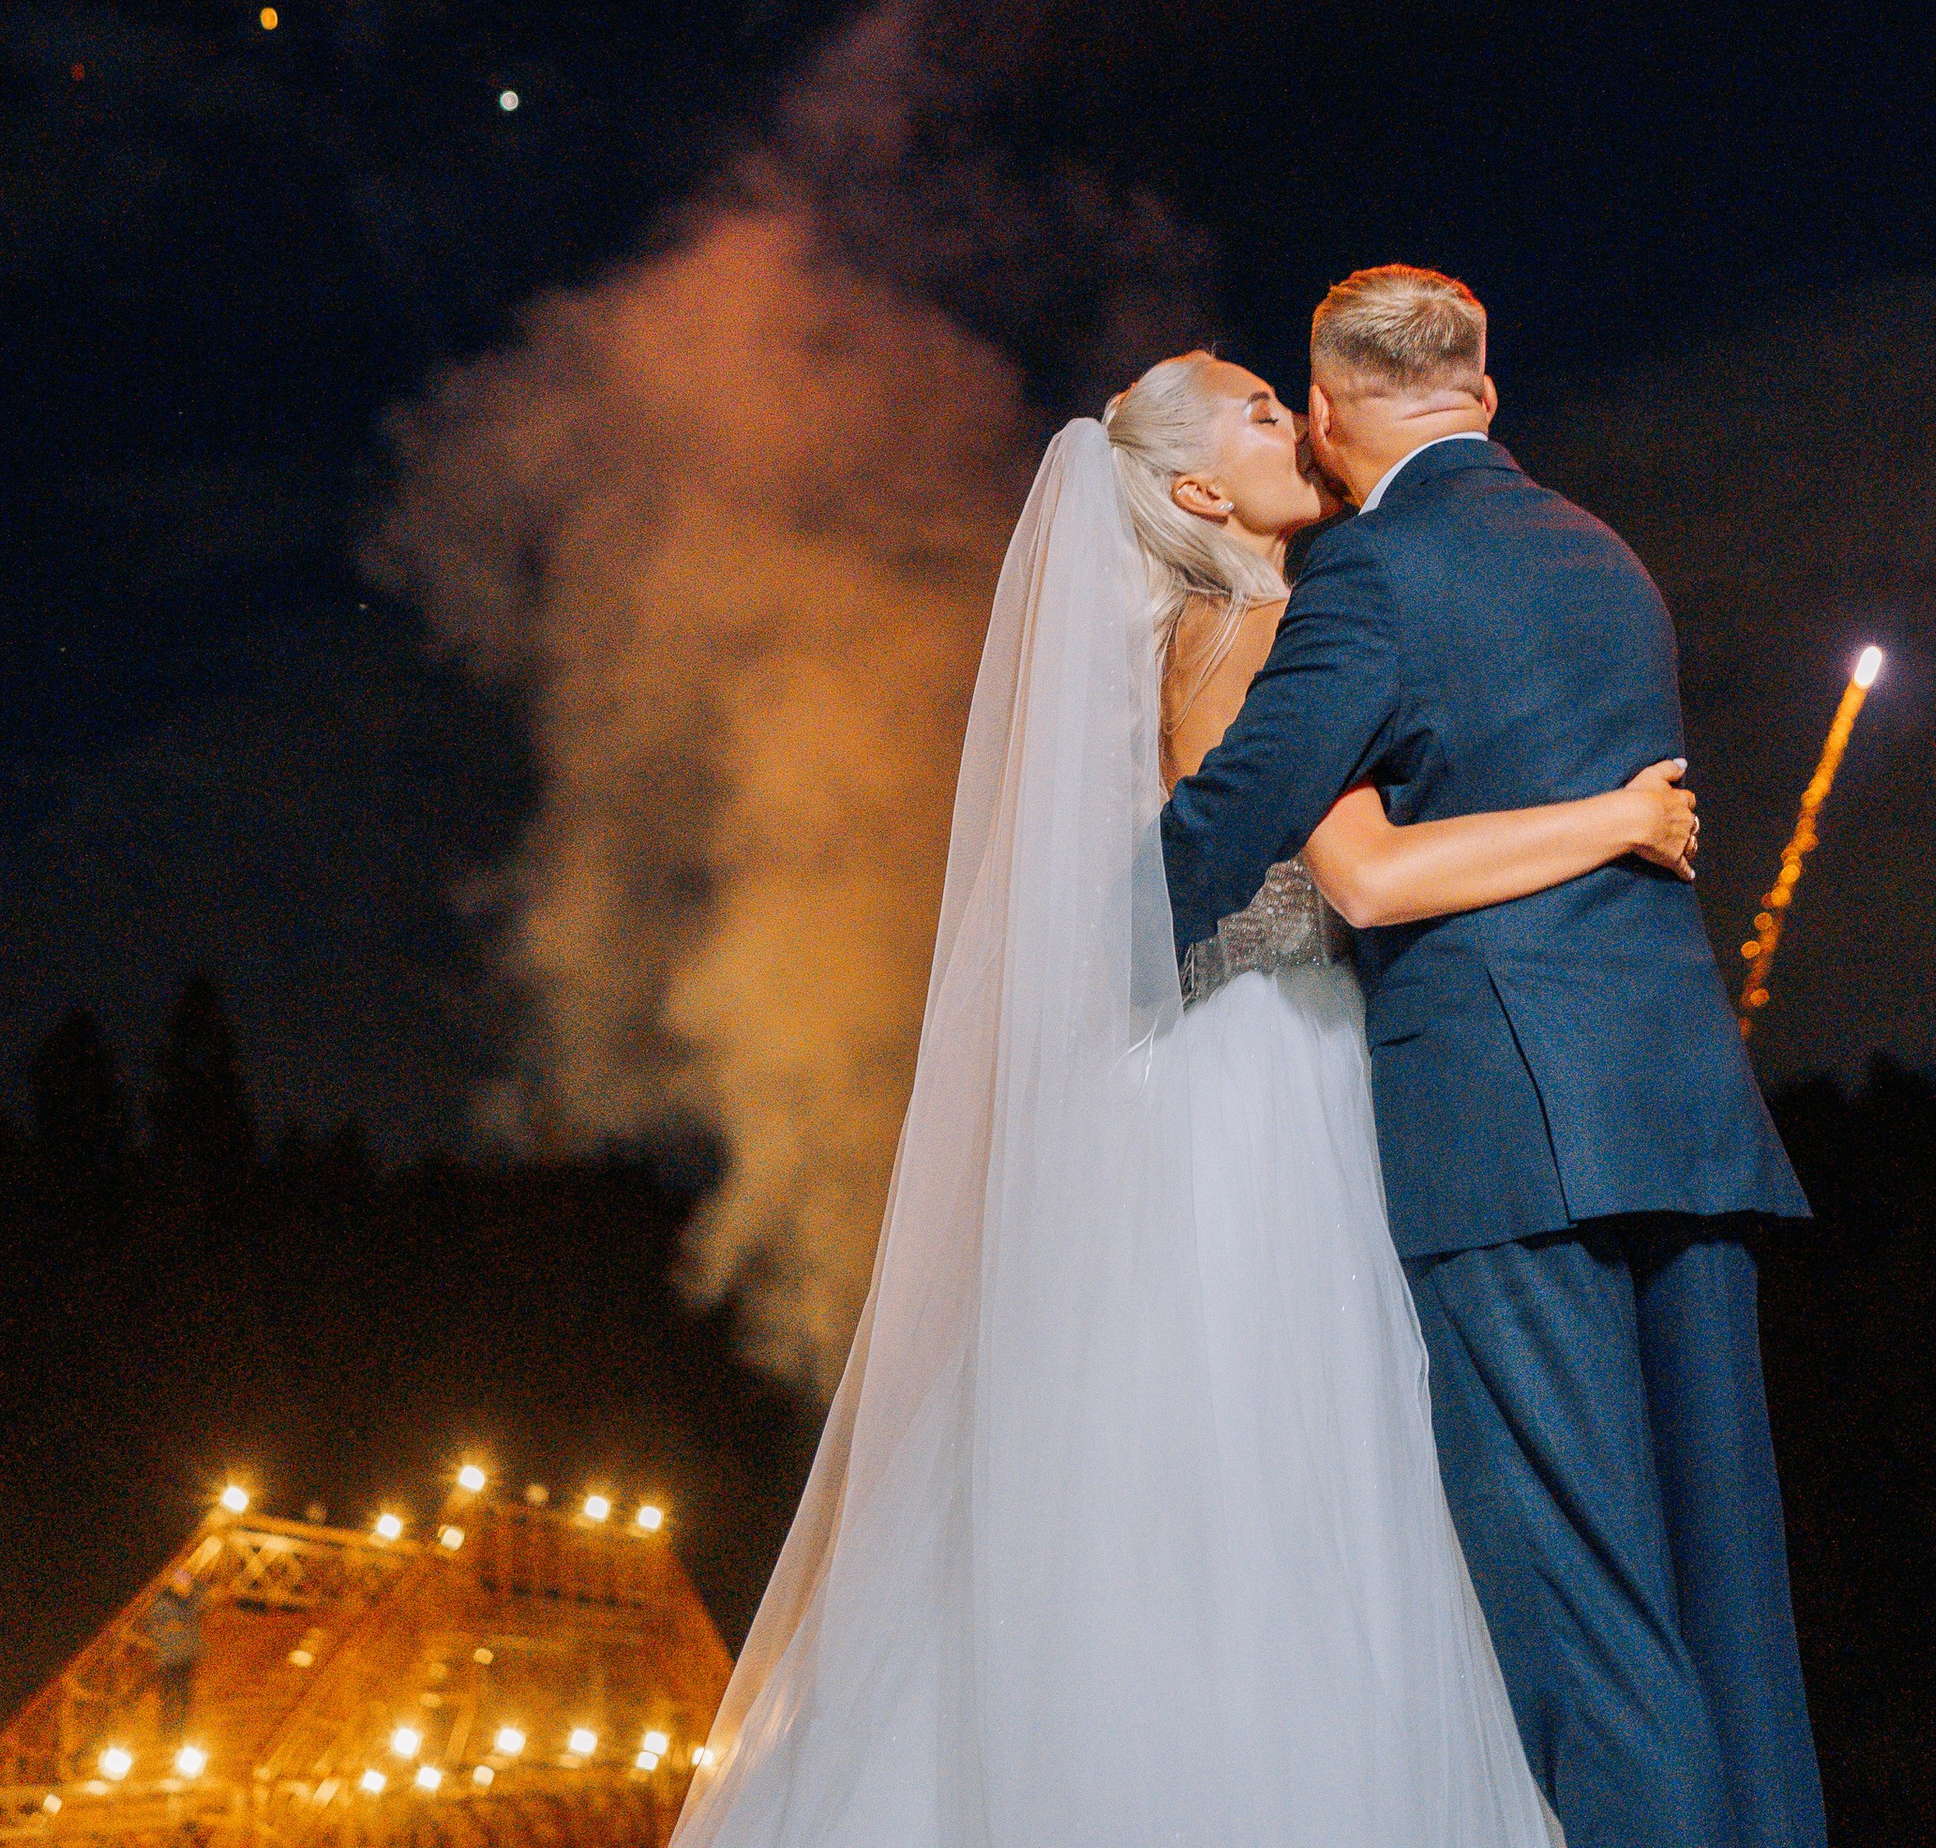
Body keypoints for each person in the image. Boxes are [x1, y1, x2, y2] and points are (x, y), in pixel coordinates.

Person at [670, 370, 1696, 1848]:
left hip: (1176, 1091)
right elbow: (1368, 878)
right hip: (1266, 1079)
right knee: (1297, 1502)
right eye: (1267, 413)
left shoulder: (1176, 640)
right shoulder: (1276, 633)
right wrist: (1619, 816)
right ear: (1204, 494)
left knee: (1148, 1512)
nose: (1303, 423)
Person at [1162, 265, 1827, 1848]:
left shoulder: (1373, 573)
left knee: (1585, 1616)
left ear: (1324, 415)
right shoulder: (1611, 560)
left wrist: (1057, 930)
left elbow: (1227, 832)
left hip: (1513, 1145)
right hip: (1686, 1124)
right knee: (1730, 1607)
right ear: (1488, 393)